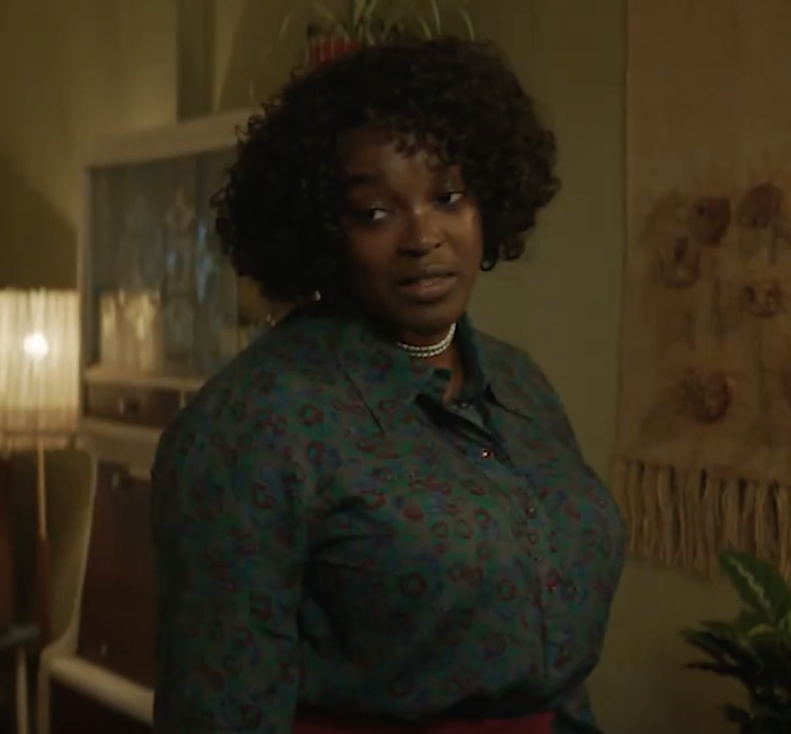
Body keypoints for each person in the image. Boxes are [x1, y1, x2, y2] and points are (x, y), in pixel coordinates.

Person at [151, 36, 627, 734]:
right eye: (375, 212)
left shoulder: (520, 382)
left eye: (449, 197)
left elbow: (560, 675)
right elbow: (219, 709)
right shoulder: (253, 424)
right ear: (322, 229)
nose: (423, 237)